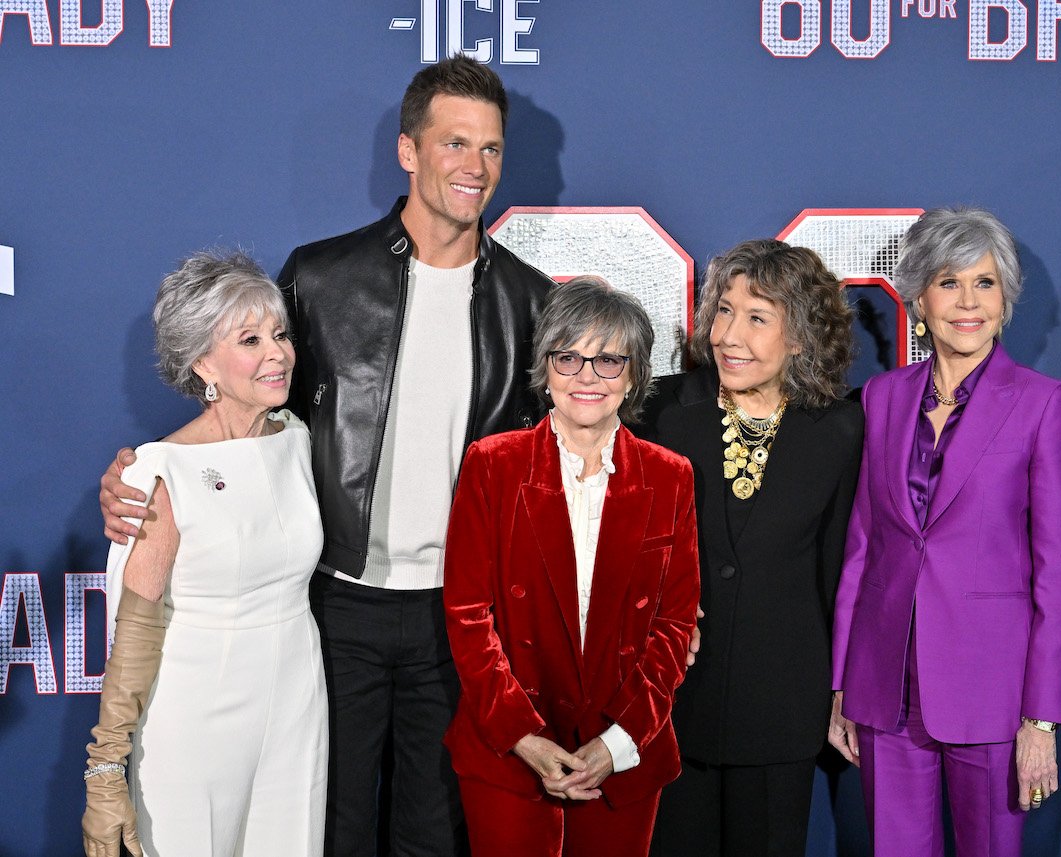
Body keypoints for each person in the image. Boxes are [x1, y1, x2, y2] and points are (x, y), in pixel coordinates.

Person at [98, 55, 552, 857]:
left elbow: (564, 456)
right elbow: (247, 401)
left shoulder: (529, 299)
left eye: (490, 149)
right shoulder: (322, 277)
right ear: (409, 152)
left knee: (434, 836)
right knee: (319, 829)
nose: (474, 168)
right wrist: (143, 475)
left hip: (463, 614)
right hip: (336, 609)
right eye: (454, 144)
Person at [828, 207, 1061, 857]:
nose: (967, 301)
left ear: (1006, 300)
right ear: (918, 297)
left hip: (994, 699)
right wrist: (842, 682)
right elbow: (864, 548)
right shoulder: (882, 398)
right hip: (886, 692)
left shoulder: (1041, 403)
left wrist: (1041, 718)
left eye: (985, 282)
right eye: (949, 282)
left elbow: (1060, 575)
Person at [442, 276, 700, 857]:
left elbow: (676, 624)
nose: (587, 376)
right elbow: (466, 614)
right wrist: (522, 736)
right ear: (546, 367)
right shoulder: (492, 465)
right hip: (509, 747)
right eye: (569, 357)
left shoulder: (669, 476)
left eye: (608, 360)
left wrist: (619, 741)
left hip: (623, 752)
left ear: (633, 374)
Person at [82, 251, 326, 857]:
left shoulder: (297, 438)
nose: (278, 353)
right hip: (194, 720)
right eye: (250, 339)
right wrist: (106, 770)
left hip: (298, 706)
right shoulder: (160, 471)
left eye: (280, 334)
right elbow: (135, 635)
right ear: (201, 363)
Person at [646, 239, 863, 857]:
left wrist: (839, 694)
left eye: (757, 317)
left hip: (783, 709)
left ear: (800, 337)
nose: (729, 335)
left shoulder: (839, 433)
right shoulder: (664, 413)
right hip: (673, 707)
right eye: (723, 311)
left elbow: (837, 577)